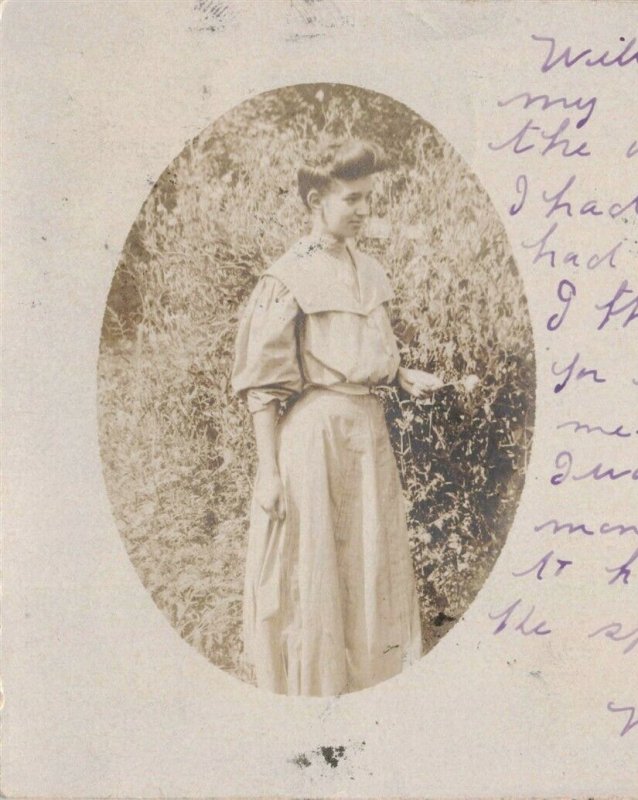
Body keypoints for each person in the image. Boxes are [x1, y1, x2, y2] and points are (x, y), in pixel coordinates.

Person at [231, 139, 443, 696]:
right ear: (314, 200)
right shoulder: (288, 277)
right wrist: (268, 471)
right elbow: (262, 387)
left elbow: (362, 347)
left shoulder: (370, 270)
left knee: (368, 561)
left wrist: (400, 376)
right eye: (351, 199)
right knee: (317, 571)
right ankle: (315, 694)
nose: (363, 210)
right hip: (315, 439)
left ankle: (368, 690)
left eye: (368, 199)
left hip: (367, 434)